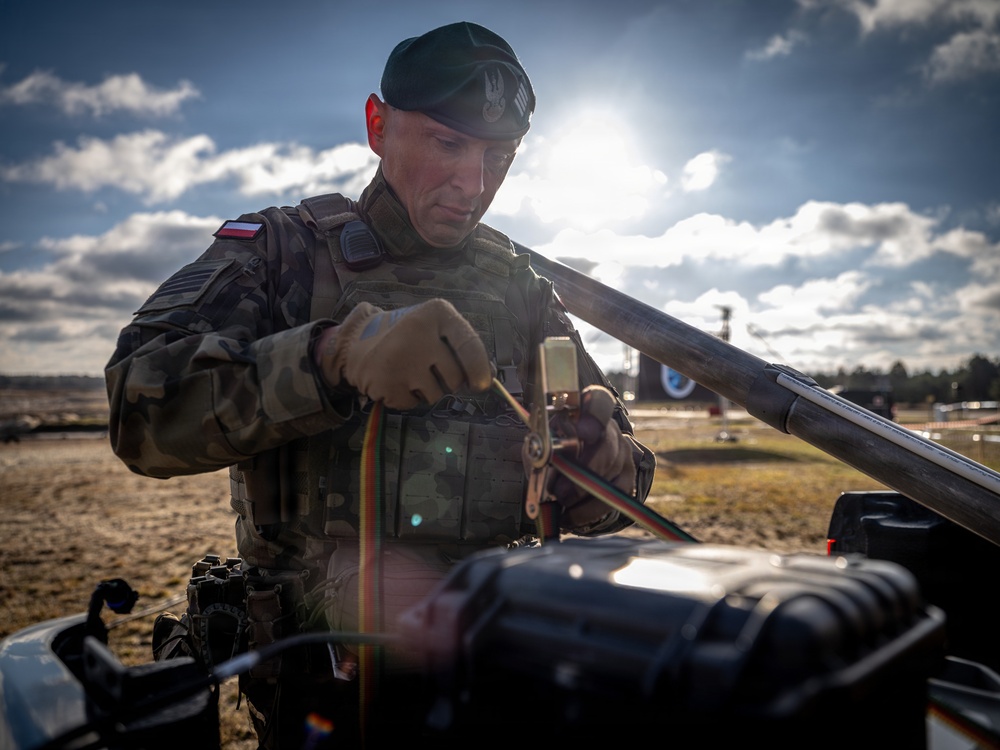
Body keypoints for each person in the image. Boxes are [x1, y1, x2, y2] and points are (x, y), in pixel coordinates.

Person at [106, 20, 654, 747]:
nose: (475, 184)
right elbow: (136, 411)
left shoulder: (521, 289)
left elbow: (621, 481)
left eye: (501, 155)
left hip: (495, 689)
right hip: (322, 702)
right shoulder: (282, 252)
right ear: (377, 125)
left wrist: (604, 476)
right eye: (449, 144)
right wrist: (331, 357)